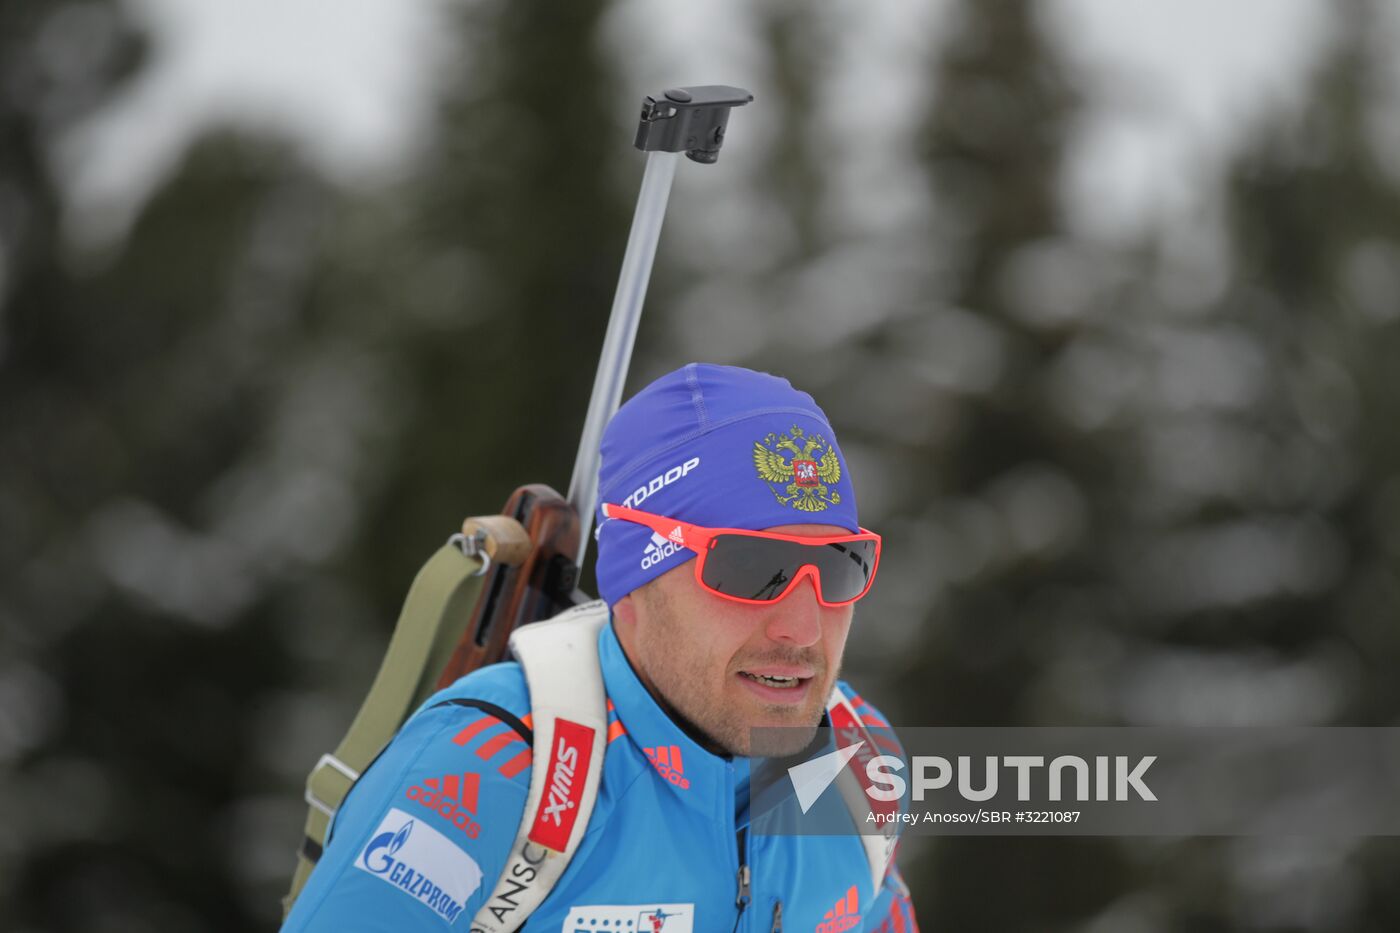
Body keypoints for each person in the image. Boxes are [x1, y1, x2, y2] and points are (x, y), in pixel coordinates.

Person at [282, 363, 919, 932]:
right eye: (754, 570)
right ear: (634, 580)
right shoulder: (488, 769)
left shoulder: (859, 766)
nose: (804, 629)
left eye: (840, 566)